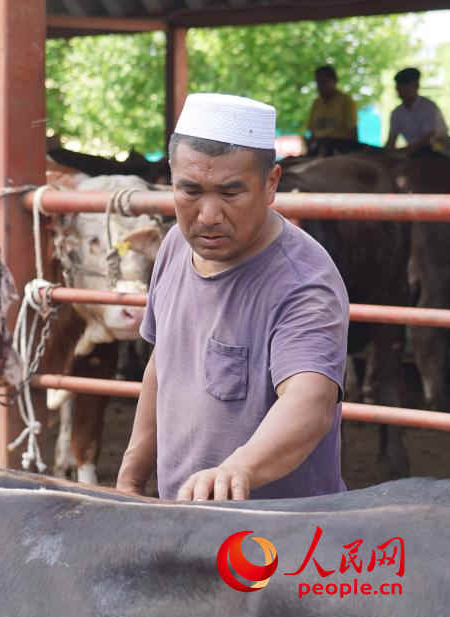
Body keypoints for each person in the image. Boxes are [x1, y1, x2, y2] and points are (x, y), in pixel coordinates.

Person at [115, 93, 348, 502]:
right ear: (171, 181)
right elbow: (162, 365)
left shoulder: (303, 281)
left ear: (271, 184)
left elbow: (310, 401)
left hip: (276, 534)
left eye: (230, 193)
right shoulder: (174, 247)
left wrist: (238, 470)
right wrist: (132, 475)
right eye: (190, 191)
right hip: (184, 514)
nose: (207, 215)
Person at [385, 67, 449, 155]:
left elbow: (429, 137)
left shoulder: (428, 107)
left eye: (406, 87)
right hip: (413, 155)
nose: (401, 90)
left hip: (439, 153)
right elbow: (391, 141)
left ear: (416, 86)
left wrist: (405, 151)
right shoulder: (397, 113)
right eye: (399, 87)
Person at [305, 65, 359, 156]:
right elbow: (312, 132)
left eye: (324, 82)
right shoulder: (317, 103)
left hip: (340, 147)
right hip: (318, 147)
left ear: (334, 81)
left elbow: (353, 131)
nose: (320, 86)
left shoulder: (346, 101)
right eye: (318, 82)